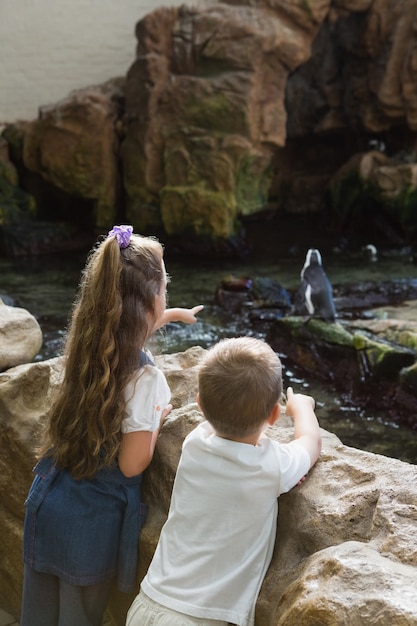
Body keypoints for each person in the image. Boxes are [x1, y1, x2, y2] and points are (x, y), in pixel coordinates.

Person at [20, 224, 204, 626]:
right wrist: (156, 417)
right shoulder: (146, 380)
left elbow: (125, 323)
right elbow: (132, 464)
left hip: (48, 502)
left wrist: (172, 316)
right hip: (86, 529)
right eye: (164, 289)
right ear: (149, 299)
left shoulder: (87, 345)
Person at [126, 336, 322, 626]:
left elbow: (228, 423)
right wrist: (303, 407)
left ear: (200, 405)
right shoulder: (270, 466)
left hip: (149, 603)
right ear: (274, 414)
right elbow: (311, 441)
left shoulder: (195, 442)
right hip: (203, 618)